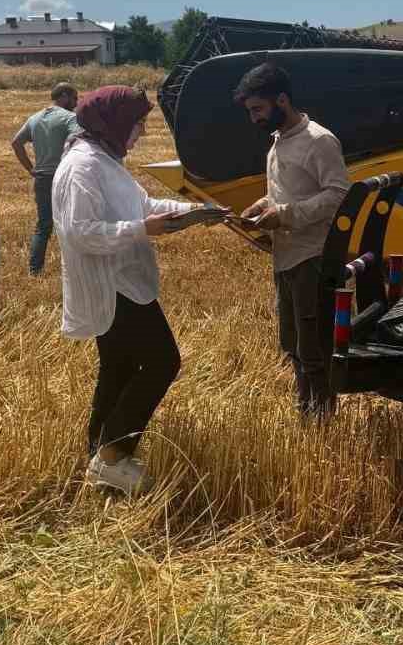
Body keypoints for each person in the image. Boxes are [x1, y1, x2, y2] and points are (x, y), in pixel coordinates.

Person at [52, 84, 226, 497]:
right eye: (138, 123)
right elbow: (80, 233)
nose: (142, 132)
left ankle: (100, 456)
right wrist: (141, 230)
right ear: (112, 123)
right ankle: (112, 458)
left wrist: (197, 213)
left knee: (119, 370)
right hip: (113, 287)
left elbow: (143, 205)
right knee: (163, 362)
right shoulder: (83, 167)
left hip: (122, 282)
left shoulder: (105, 160)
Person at [234, 62, 349, 419]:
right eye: (250, 111)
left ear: (282, 100)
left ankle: (322, 422)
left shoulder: (319, 140)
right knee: (292, 345)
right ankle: (308, 414)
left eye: (258, 109)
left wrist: (284, 215)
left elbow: (338, 195)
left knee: (313, 349)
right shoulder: (277, 142)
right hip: (285, 257)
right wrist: (260, 207)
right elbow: (283, 193)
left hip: (312, 257)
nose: (253, 118)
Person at [11, 82, 80, 275]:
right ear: (64, 95)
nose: (76, 103)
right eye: (74, 98)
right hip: (64, 177)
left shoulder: (34, 118)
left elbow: (16, 143)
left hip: (41, 178)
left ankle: (34, 269)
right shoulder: (70, 118)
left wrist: (30, 169)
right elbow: (78, 139)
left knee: (43, 226)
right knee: (71, 223)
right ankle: (74, 268)